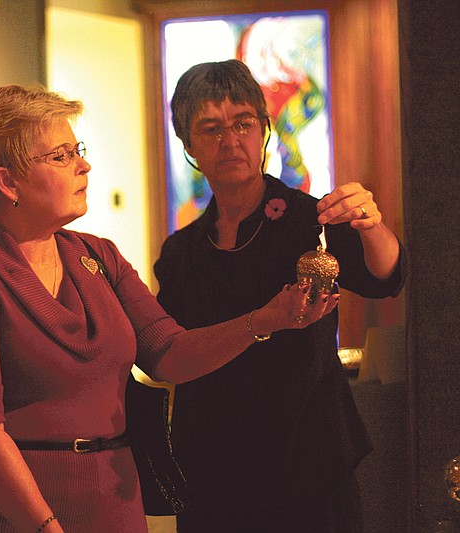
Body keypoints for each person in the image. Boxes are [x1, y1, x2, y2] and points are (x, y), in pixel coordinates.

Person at [0, 84, 341, 533]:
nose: (84, 165)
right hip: (21, 517)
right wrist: (45, 527)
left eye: (76, 150)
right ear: (7, 182)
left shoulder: (98, 257)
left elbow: (170, 354)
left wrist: (269, 319)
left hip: (116, 505)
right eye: (61, 156)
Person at [154, 59, 406, 532]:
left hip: (307, 456)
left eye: (243, 123)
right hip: (213, 465)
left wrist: (371, 225)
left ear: (264, 129)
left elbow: (385, 277)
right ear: (188, 145)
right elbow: (166, 352)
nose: (230, 141)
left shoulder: (310, 221)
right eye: (210, 129)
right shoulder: (182, 251)